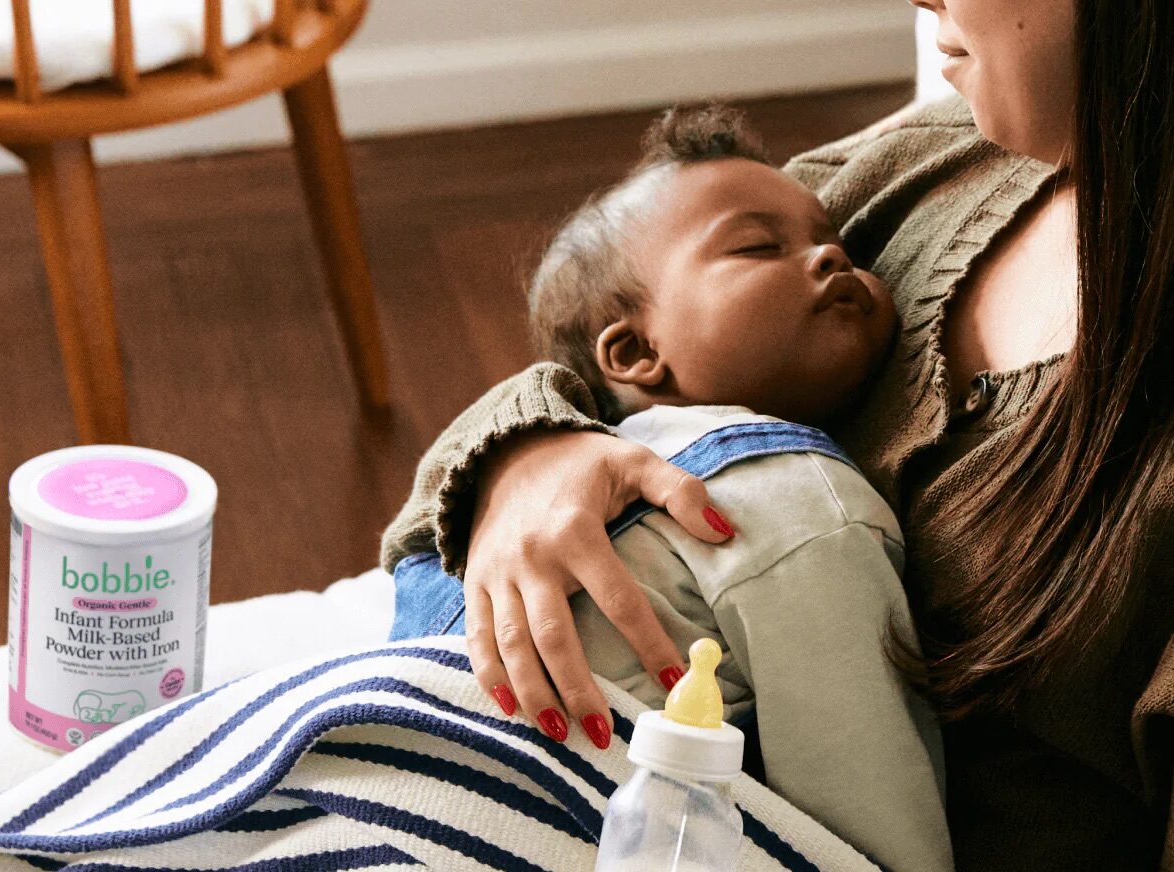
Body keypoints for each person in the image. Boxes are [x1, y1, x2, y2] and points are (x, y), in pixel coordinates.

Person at [379, 0, 1174, 868]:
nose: (828, 256)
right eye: (763, 248)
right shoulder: (929, 163)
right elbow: (618, 319)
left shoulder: (808, 520)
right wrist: (528, 453)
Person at [388, 106, 952, 872]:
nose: (830, 259)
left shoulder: (514, 481)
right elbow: (871, 812)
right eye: (759, 248)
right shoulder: (796, 503)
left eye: (841, 246)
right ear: (635, 353)